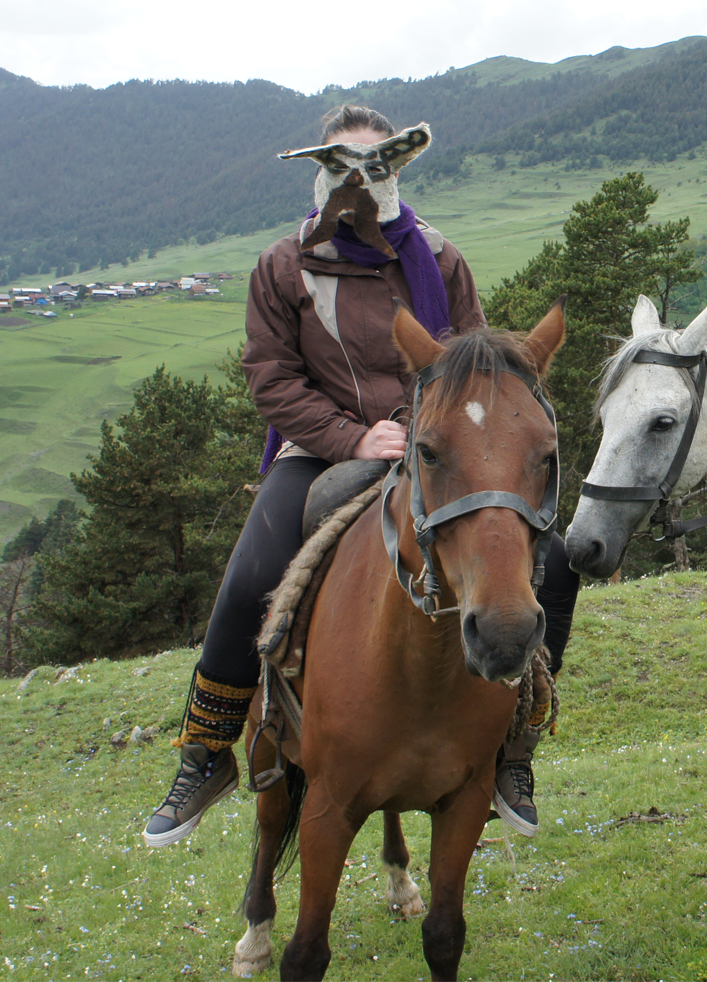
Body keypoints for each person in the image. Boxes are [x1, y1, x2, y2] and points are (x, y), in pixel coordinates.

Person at [143, 105, 581, 846]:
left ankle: (515, 741)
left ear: (396, 171)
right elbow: (272, 378)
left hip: (433, 445)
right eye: (342, 165)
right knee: (254, 568)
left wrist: (423, 434)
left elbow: (468, 365)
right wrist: (352, 437)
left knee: (555, 559)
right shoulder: (283, 266)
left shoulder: (439, 259)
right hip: (318, 448)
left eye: (374, 166)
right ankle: (207, 749)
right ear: (320, 170)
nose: (358, 181)